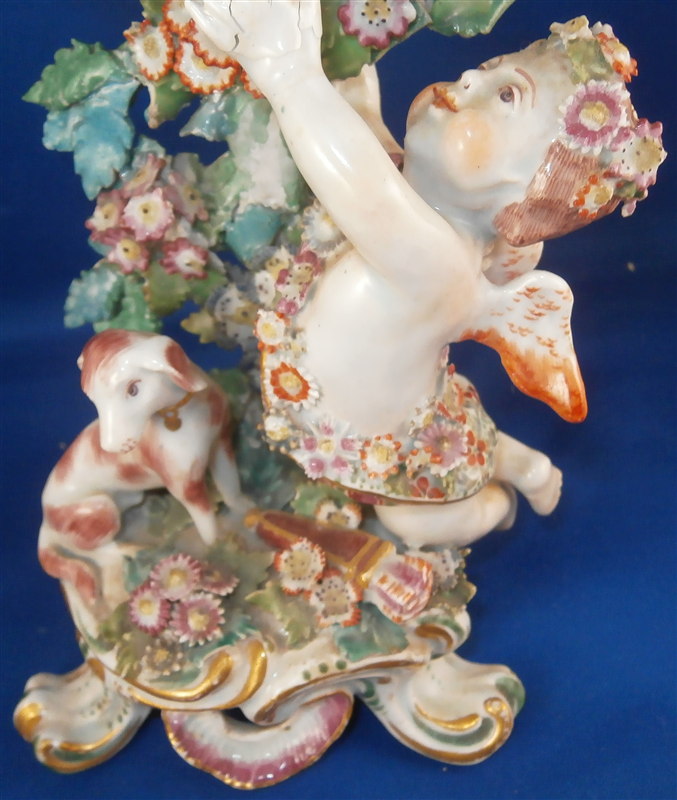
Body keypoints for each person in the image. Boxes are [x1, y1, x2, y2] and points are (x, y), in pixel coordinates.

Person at [186, 2, 665, 548]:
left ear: (522, 195)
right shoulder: (414, 205)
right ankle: (522, 465)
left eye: (507, 96)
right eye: (490, 67)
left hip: (373, 434)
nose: (471, 76)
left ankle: (494, 506)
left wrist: (288, 72)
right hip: (377, 399)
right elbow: (371, 163)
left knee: (410, 520)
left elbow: (360, 184)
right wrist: (359, 105)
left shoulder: (440, 263)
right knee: (449, 427)